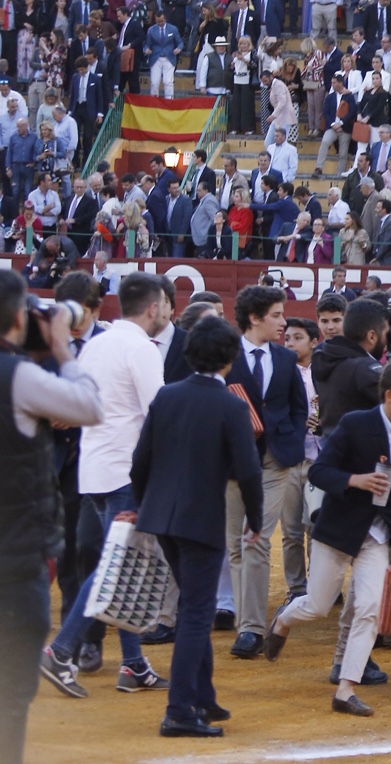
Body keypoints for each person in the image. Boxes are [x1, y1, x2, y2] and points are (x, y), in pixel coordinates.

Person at [40, 272, 172, 701]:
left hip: (93, 471)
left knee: (122, 566)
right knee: (117, 568)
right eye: (166, 306)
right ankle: (61, 650)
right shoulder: (140, 348)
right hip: (125, 473)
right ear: (154, 308)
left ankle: (133, 665)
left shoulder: (97, 344)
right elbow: (159, 413)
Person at [130, 315, 262, 738]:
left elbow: (140, 463)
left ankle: (201, 696)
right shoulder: (232, 405)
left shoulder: (167, 396)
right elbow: (249, 471)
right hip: (200, 519)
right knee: (197, 613)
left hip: (162, 517)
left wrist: (143, 504)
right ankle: (180, 709)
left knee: (193, 605)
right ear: (230, 358)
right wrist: (257, 520)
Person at [265, 361, 391, 718]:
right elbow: (319, 471)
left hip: (377, 535)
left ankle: (346, 689)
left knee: (369, 608)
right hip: (339, 529)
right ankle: (284, 621)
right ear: (390, 396)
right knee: (318, 606)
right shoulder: (356, 424)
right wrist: (355, 481)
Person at [0, 269, 103, 762]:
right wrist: (63, 349)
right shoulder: (18, 377)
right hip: (13, 557)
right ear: (19, 317)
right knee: (10, 699)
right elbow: (88, 406)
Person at [223, 284, 309, 660]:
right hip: (231, 463)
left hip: (274, 461)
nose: (283, 321)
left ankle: (251, 630)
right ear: (254, 318)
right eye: (276, 315)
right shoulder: (225, 357)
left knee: (254, 540)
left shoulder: (285, 359)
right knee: (235, 547)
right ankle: (248, 622)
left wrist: (287, 440)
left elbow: (298, 407)